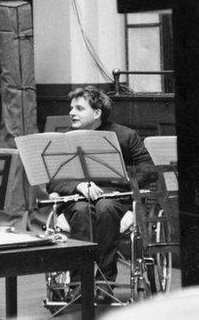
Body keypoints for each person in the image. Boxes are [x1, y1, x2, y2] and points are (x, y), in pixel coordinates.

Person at [47, 86, 155, 302]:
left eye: (79, 108)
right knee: (81, 210)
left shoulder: (125, 135)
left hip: (114, 198)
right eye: (71, 108)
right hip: (78, 199)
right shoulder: (65, 138)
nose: (71, 113)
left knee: (105, 207)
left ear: (97, 113)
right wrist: (78, 186)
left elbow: (149, 171)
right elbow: (53, 179)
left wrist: (121, 181)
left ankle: (105, 283)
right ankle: (79, 285)